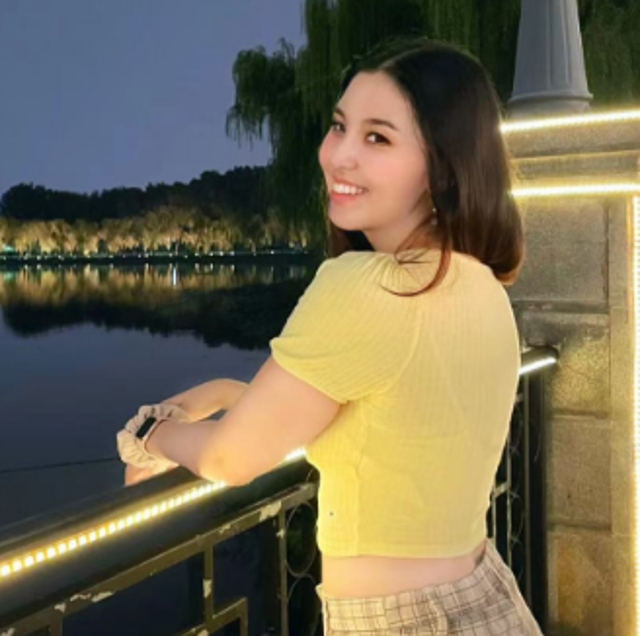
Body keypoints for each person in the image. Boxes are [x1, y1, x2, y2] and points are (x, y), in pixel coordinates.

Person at [117, 37, 543, 635]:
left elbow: (229, 457)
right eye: (340, 126)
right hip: (485, 598)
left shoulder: (368, 288)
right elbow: (379, 419)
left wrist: (150, 434)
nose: (340, 155)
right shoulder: (479, 285)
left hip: (400, 622)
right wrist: (221, 392)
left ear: (441, 168)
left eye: (378, 138)